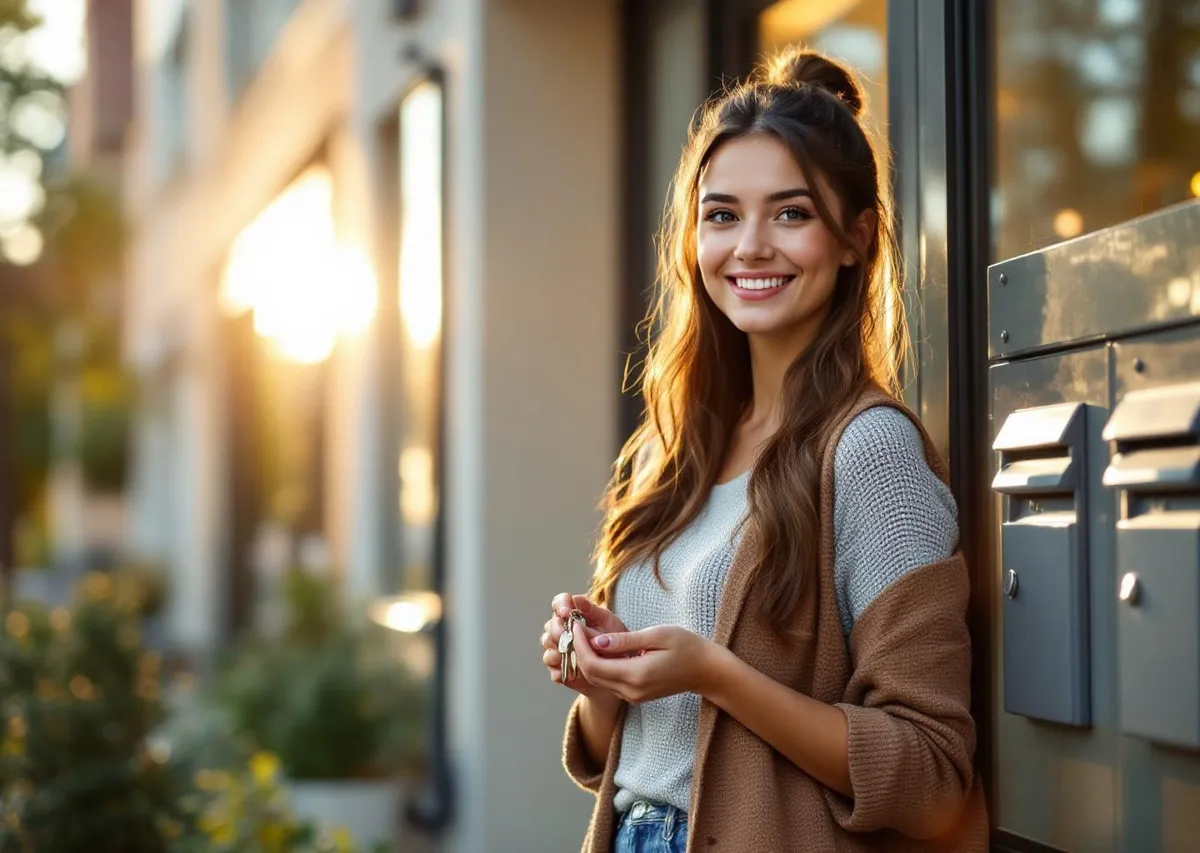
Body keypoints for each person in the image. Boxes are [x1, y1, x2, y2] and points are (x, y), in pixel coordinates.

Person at [540, 46, 988, 852]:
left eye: (791, 213)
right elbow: (625, 752)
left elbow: (931, 774)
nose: (749, 245)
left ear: (854, 238)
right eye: (721, 214)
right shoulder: (677, 449)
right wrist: (600, 676)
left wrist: (714, 673)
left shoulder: (869, 452)